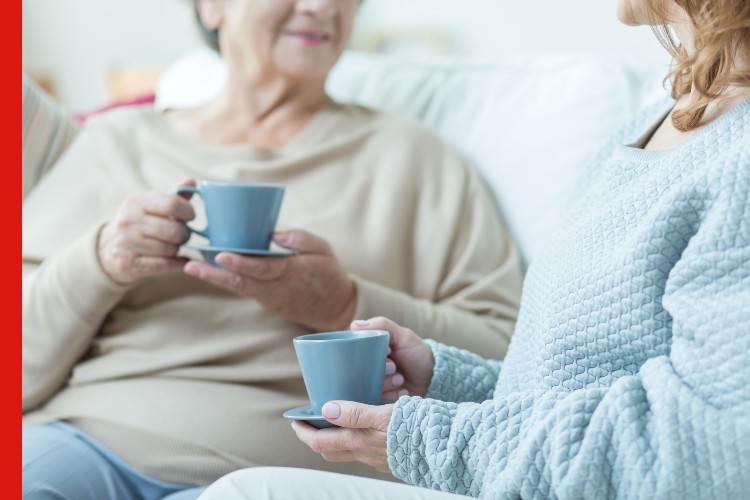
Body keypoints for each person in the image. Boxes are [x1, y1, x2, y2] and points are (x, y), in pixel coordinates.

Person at [198, 0, 750, 498]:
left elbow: (708, 445)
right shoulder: (650, 125)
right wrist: (443, 382)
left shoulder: (738, 159)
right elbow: (561, 387)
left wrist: (425, 437)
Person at [21, 0, 524, 499]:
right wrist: (100, 261)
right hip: (88, 442)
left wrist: (343, 303)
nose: (321, 6)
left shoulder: (417, 161)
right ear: (212, 7)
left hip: (282, 474)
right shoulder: (114, 143)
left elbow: (512, 358)